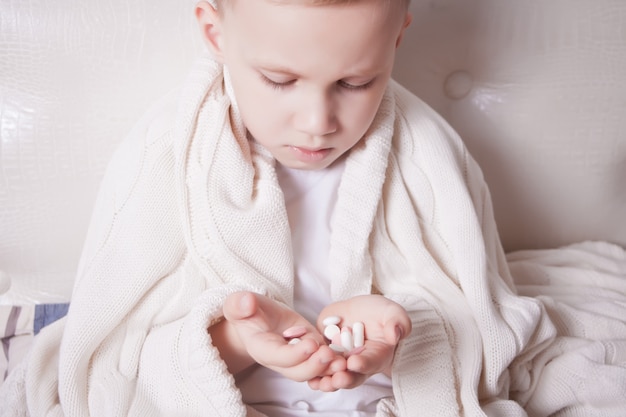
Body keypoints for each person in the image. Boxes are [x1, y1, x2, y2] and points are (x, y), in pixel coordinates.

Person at [3, 0, 626, 416]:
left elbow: (484, 319)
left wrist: (397, 329)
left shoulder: (429, 154)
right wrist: (232, 341)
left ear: (398, 34)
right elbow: (110, 355)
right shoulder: (165, 155)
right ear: (216, 33)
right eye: (279, 80)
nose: (318, 122)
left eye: (357, 83)